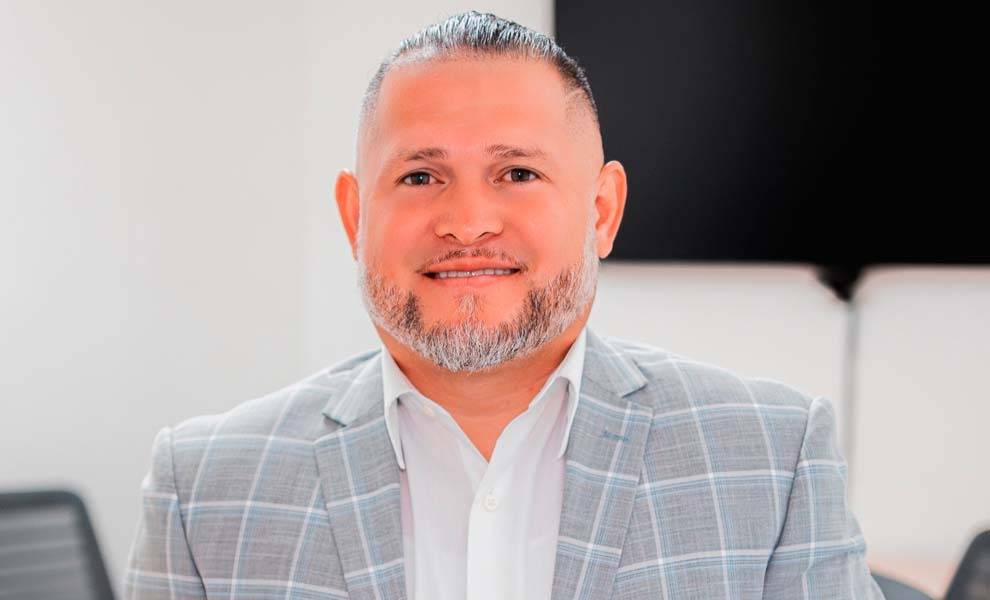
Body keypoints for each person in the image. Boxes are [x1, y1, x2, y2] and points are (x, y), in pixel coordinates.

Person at [123, 11, 883, 599]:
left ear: (602, 210)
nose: (467, 222)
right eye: (421, 177)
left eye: (517, 172)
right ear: (356, 218)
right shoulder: (205, 486)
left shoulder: (773, 459)